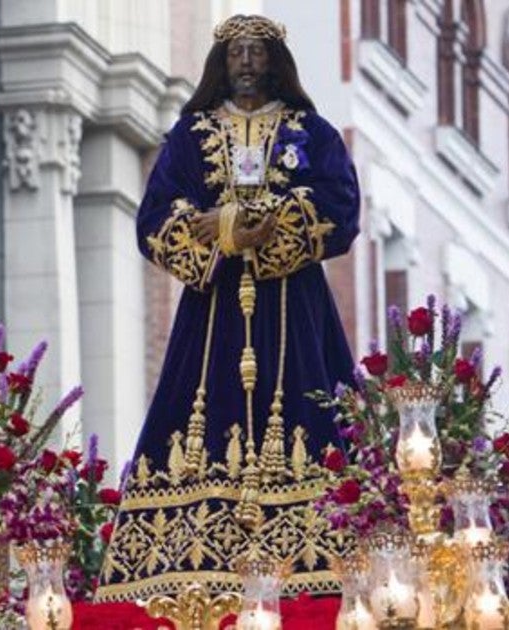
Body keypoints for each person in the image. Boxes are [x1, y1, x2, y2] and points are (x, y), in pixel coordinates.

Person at [96, 15, 359, 602]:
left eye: (257, 52)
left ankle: (321, 553)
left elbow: (341, 204)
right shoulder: (191, 136)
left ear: (274, 62)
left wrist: (275, 225)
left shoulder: (310, 133)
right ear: (223, 62)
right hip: (212, 310)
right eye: (237, 52)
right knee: (196, 407)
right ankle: (188, 557)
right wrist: (218, 229)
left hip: (294, 306)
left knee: (311, 403)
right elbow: (155, 217)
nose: (246, 62)